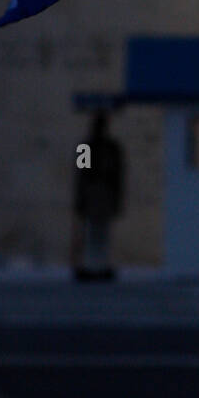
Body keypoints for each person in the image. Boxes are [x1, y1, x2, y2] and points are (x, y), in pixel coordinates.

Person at [72, 109, 124, 281]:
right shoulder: (87, 147)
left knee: (101, 235)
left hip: (101, 195)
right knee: (92, 235)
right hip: (94, 195)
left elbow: (117, 176)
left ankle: (98, 266)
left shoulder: (110, 148)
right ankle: (92, 266)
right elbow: (82, 174)